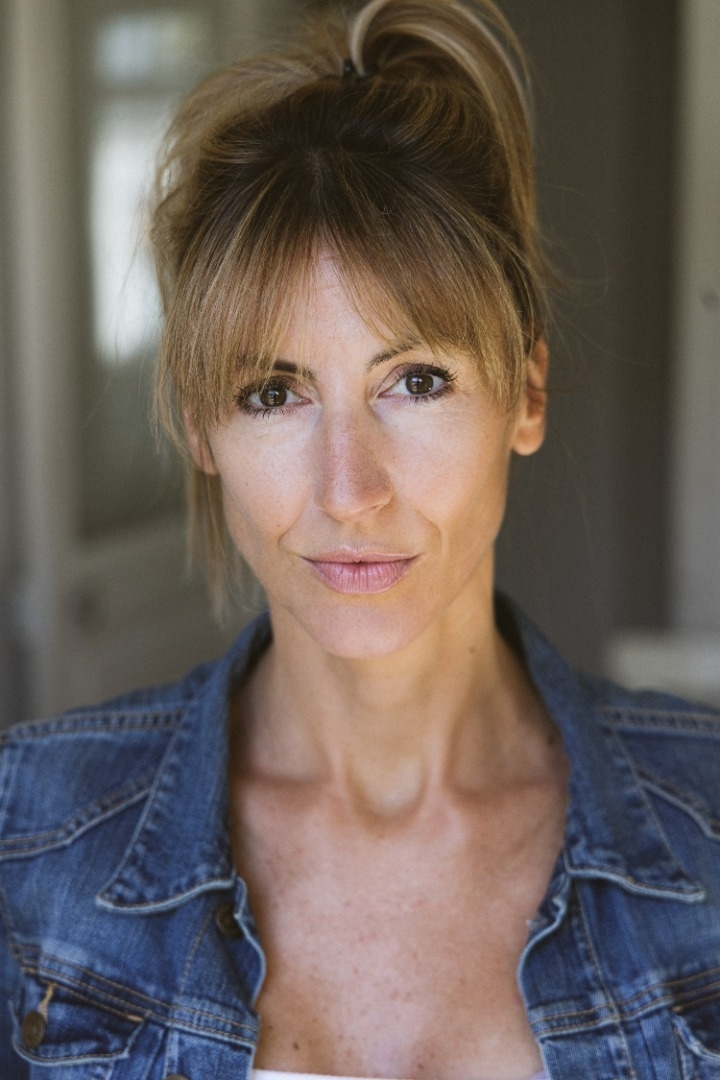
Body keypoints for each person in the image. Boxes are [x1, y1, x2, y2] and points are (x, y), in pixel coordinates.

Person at [1, 0, 719, 1077]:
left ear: (527, 391)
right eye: (273, 393)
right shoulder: (27, 844)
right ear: (199, 425)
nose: (350, 491)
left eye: (416, 381)